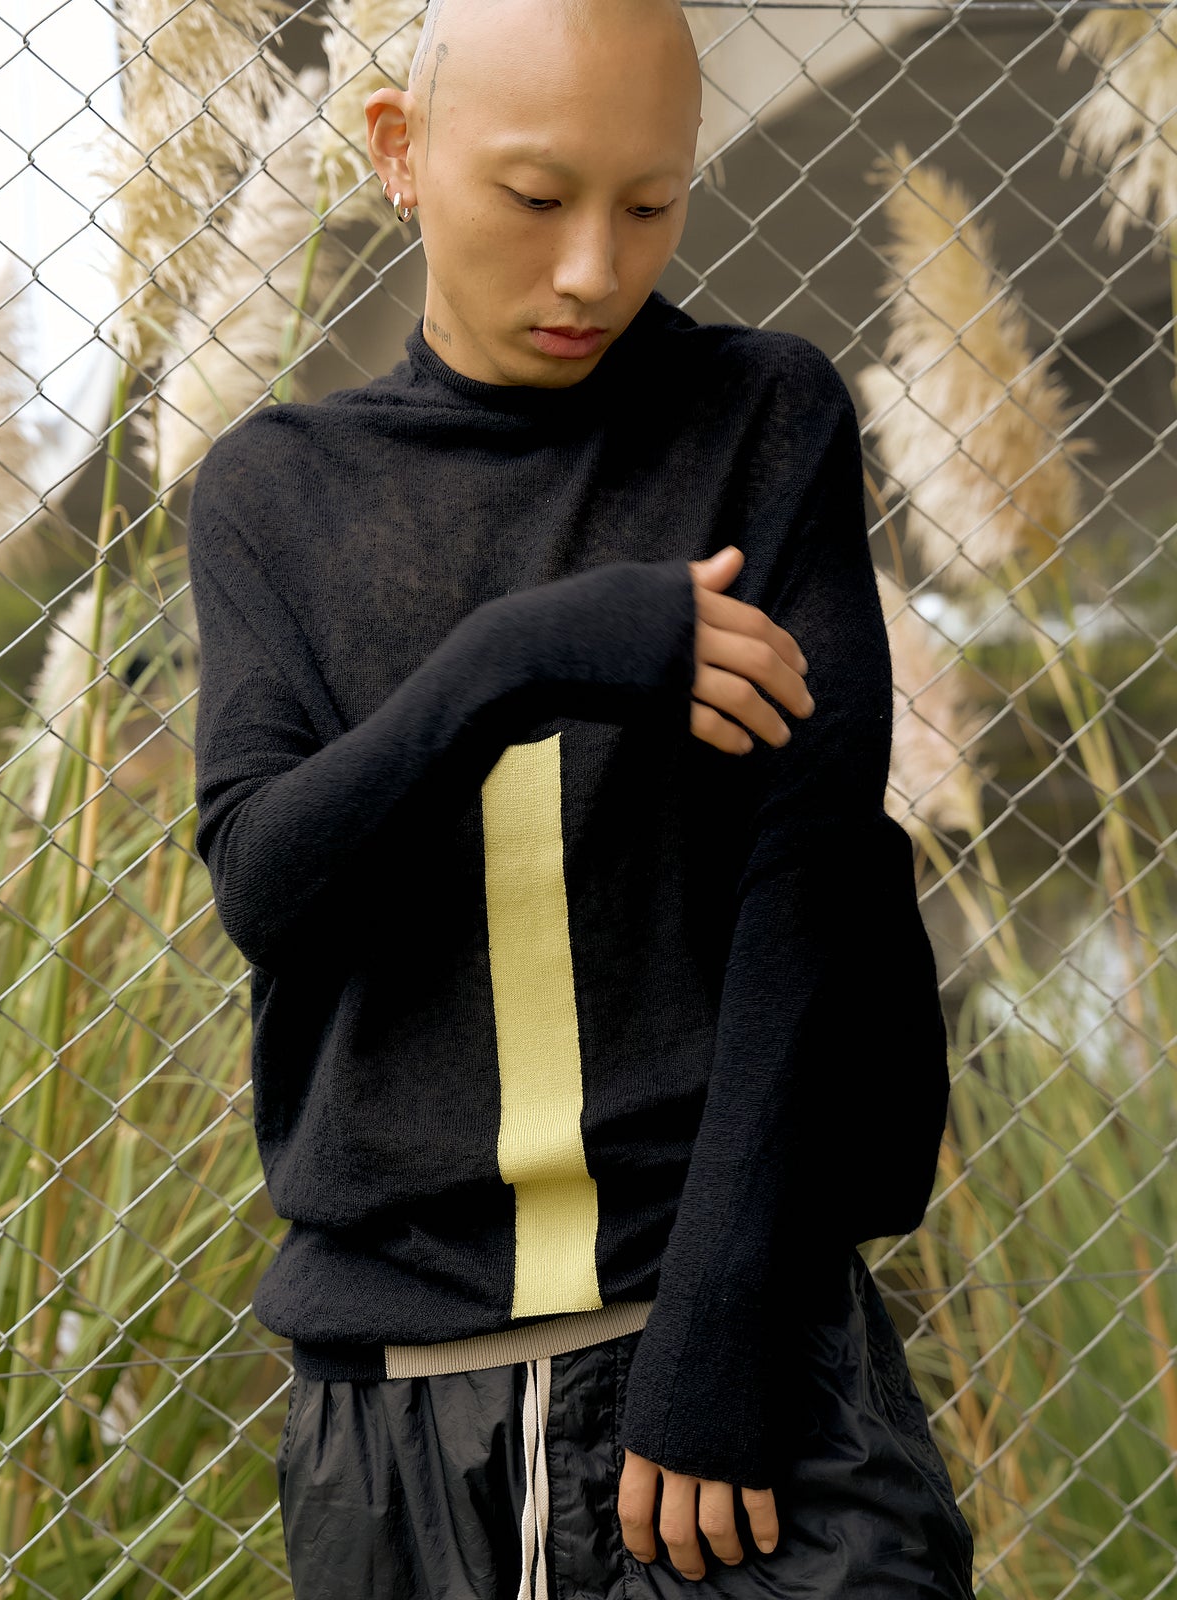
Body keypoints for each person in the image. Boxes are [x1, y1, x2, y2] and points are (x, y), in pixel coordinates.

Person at [185, 0, 979, 1594]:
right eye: (537, 199)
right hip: (398, 1422)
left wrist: (721, 1336)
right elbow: (273, 891)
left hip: (730, 1382)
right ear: (400, 156)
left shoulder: (766, 417)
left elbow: (807, 880)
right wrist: (521, 662)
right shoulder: (275, 493)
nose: (594, 272)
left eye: (651, 202)